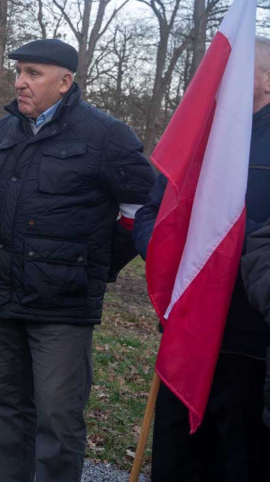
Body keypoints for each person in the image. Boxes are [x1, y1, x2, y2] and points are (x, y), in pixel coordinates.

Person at [0, 38, 154, 482]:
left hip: (62, 308)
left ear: (65, 81)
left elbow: (143, 211)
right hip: (2, 296)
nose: (19, 82)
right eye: (19, 72)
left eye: (32, 73)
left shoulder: (106, 135)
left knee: (58, 421)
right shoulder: (0, 131)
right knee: (5, 408)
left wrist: (94, 266)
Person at [138, 36, 270, 481]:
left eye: (236, 67)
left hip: (249, 341)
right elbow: (153, 213)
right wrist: (164, 253)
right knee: (177, 462)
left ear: (267, 80)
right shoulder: (199, 135)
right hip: (187, 330)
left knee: (238, 462)